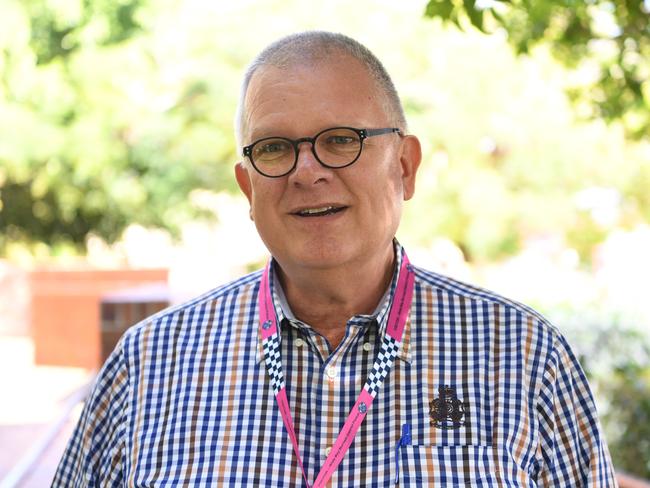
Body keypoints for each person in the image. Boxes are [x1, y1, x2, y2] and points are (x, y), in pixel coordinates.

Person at [53, 31, 617, 487]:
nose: (307, 171)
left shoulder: (522, 354)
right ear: (248, 189)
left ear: (405, 167)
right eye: (274, 148)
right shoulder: (151, 363)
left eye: (341, 139)